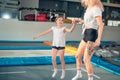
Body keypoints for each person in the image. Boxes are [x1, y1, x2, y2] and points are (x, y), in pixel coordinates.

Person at [72, 0, 104, 80]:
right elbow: (87, 21)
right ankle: (79, 74)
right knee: (77, 56)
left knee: (86, 59)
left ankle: (90, 78)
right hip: (86, 34)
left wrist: (98, 39)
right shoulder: (89, 8)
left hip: (92, 35)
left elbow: (100, 24)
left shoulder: (96, 8)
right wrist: (78, 21)